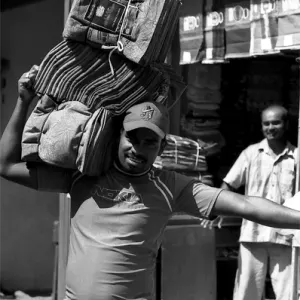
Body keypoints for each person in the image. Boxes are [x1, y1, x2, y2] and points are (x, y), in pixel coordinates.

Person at [0, 68, 300, 300]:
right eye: (132, 138)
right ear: (117, 136)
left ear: (161, 146)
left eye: (149, 142)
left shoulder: (170, 186)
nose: (138, 149)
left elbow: (247, 204)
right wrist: (23, 102)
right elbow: (6, 166)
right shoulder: (84, 174)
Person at [221, 104, 298, 300]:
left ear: (286, 124)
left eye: (276, 122)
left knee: (288, 292)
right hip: (252, 235)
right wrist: (214, 210)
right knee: (247, 291)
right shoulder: (251, 153)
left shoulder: (297, 157)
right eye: (266, 123)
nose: (270, 127)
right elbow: (229, 185)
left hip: (285, 237)